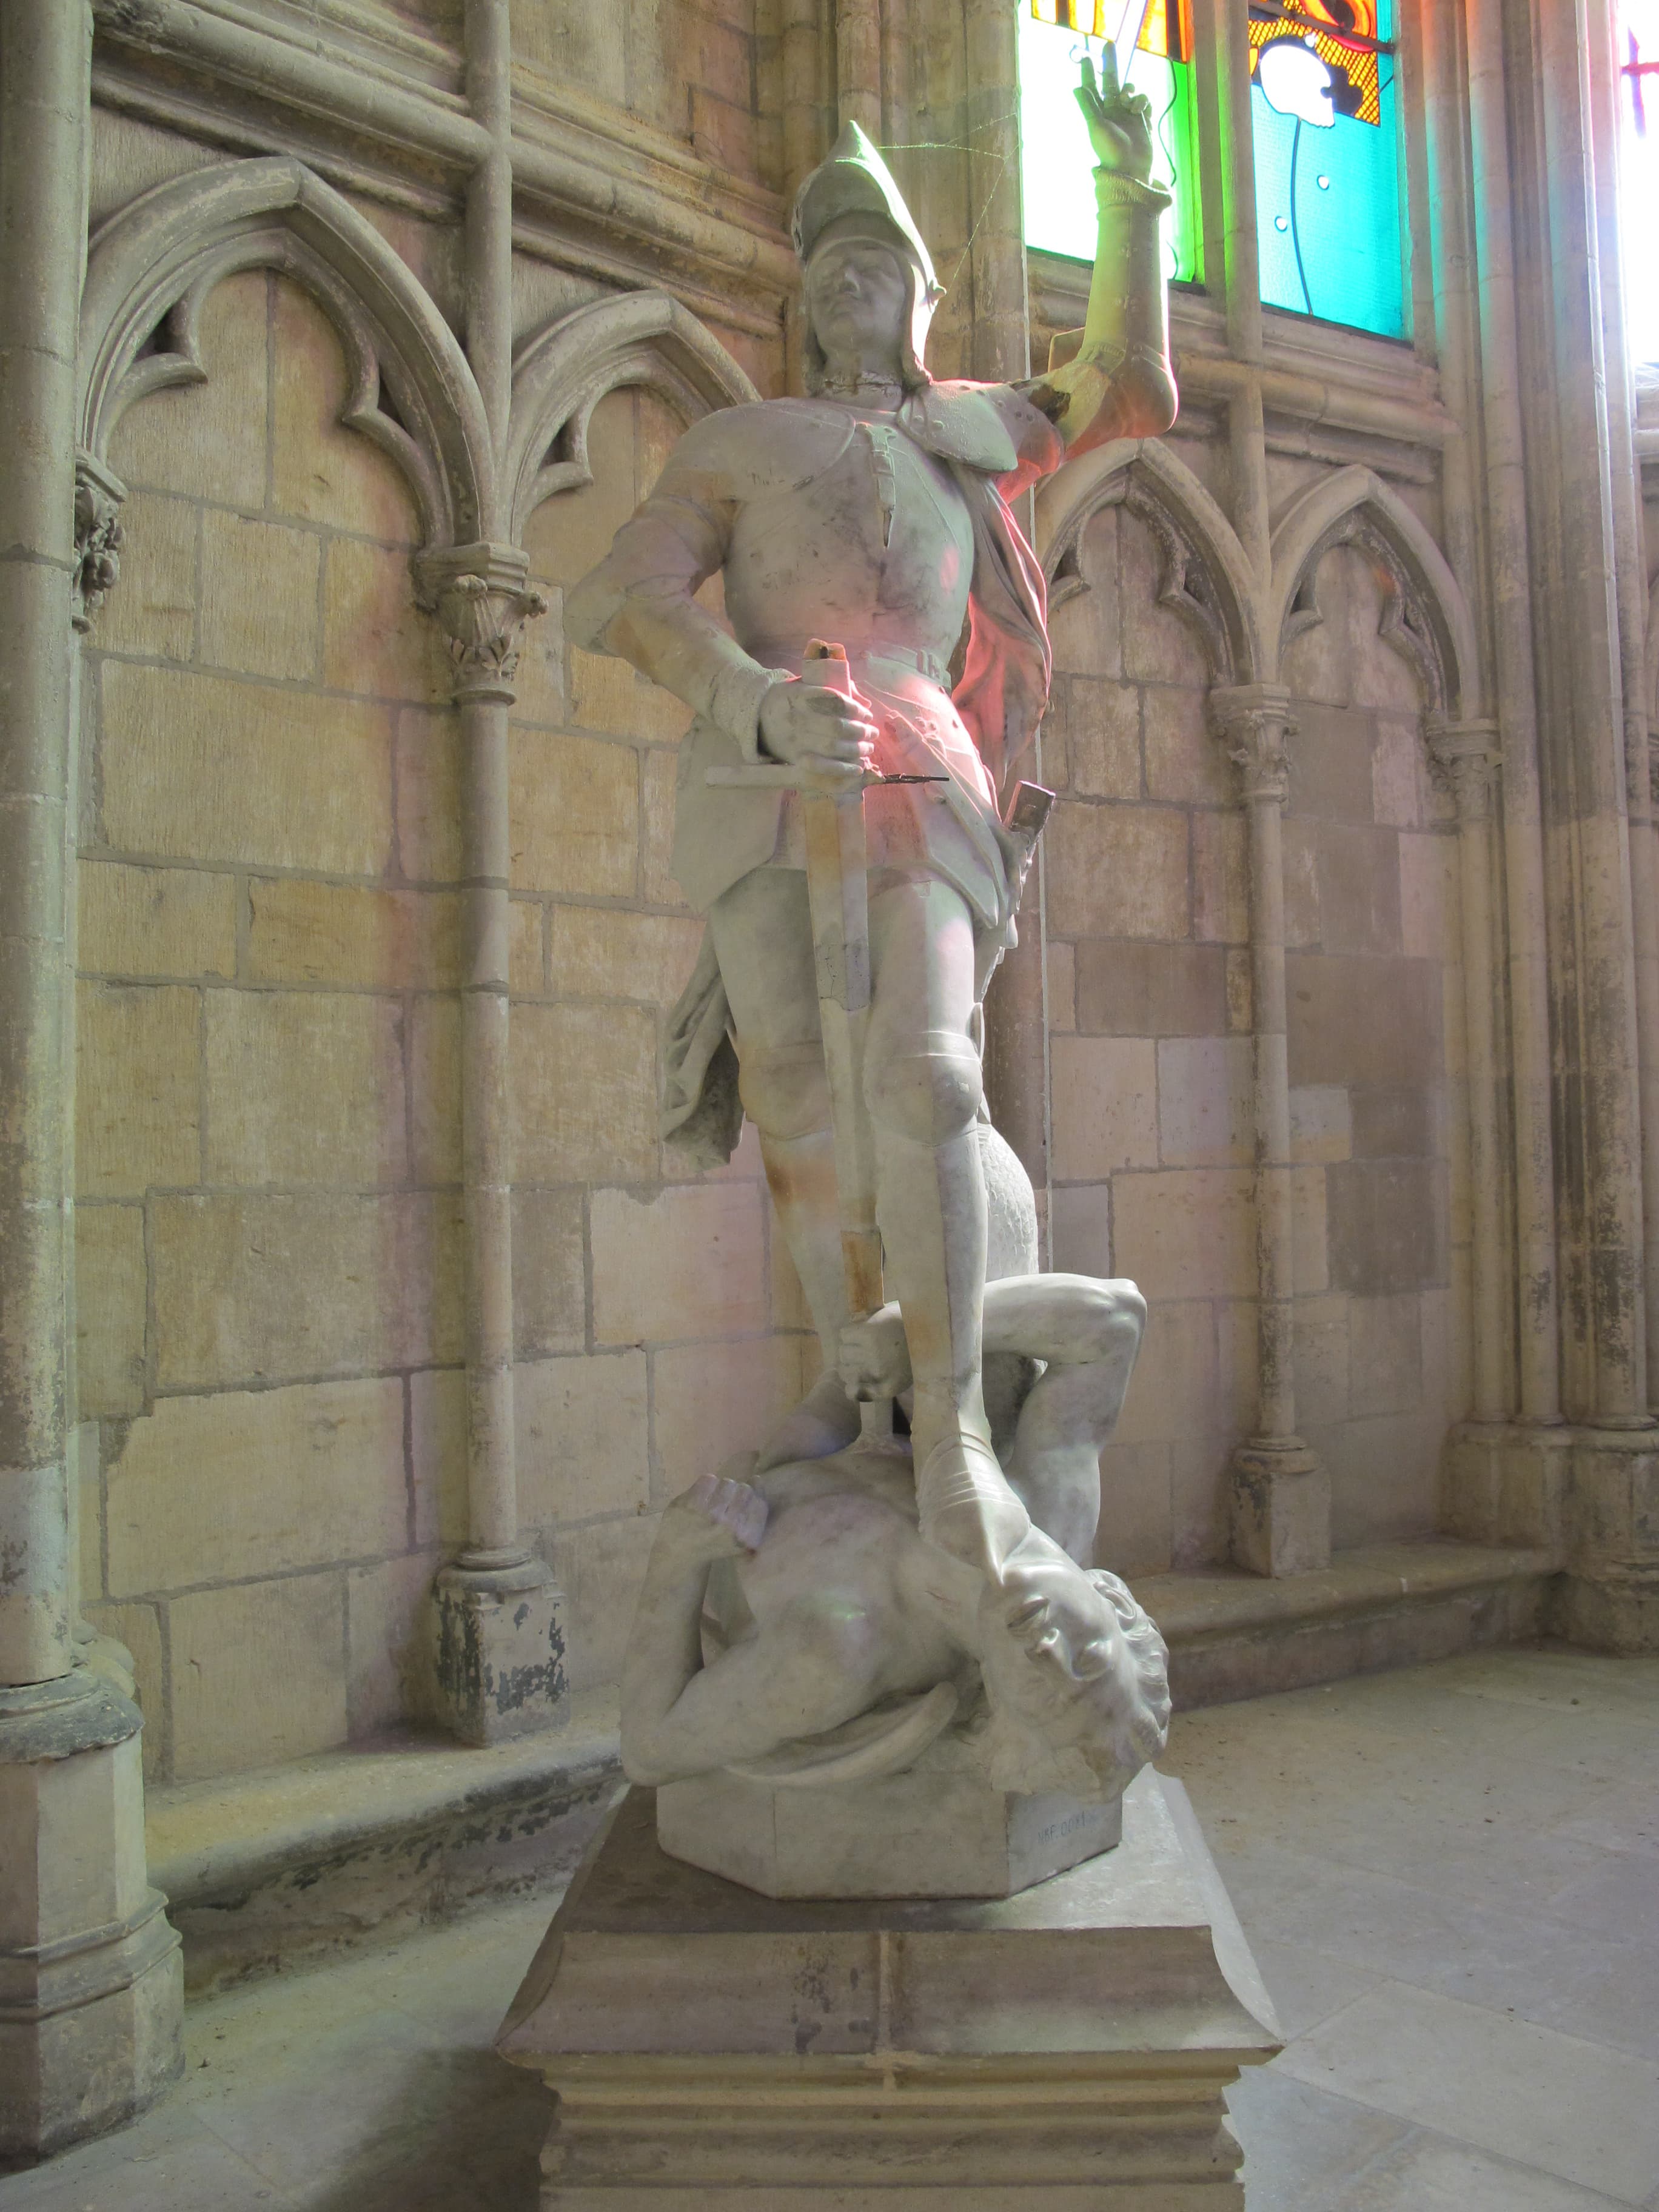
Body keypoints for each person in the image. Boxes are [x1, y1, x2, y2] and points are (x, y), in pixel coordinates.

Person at [568, 51, 1176, 1601]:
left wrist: (1132, 190)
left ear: (919, 294)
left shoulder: (970, 433)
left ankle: (953, 1427)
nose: (853, 280)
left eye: (880, 260)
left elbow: (1128, 385)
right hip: (757, 771)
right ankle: (858, 1390)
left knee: (926, 1075)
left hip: (918, 763)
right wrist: (748, 701)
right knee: (790, 1085)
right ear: (801, 296)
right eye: (828, 261)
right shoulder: (739, 441)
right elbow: (621, 593)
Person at [619, 1266, 1167, 1801]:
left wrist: (676, 1559)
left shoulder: (833, 1658)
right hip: (872, 1406)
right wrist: (922, 1334)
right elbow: (1118, 1321)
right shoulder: (1052, 1506)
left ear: (999, 1701)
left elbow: (649, 1751)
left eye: (1043, 1695)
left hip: (785, 1473)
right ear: (1111, 1600)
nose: (1048, 1650)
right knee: (989, 1347)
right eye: (1089, 1657)